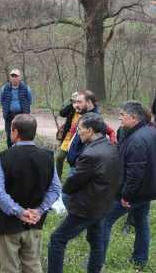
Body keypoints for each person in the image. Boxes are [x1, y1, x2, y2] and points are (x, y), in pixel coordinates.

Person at [48, 113, 121, 273]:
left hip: (86, 208)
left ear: (90, 130)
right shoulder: (111, 146)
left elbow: (71, 183)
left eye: (80, 129)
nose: (77, 133)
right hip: (103, 205)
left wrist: (65, 189)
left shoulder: (90, 155)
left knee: (57, 239)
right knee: (96, 240)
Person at [0, 114, 61, 273]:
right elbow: (55, 189)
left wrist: (20, 212)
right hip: (34, 222)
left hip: (6, 225)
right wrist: (39, 210)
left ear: (15, 132)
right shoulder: (48, 157)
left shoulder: (4, 158)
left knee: (9, 267)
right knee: (33, 265)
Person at [101, 101, 156, 269]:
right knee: (142, 222)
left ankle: (96, 262)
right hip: (147, 190)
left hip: (132, 194)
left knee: (103, 220)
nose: (120, 117)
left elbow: (135, 172)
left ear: (134, 117)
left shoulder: (137, 139)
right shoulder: (152, 131)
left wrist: (126, 196)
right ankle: (140, 259)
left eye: (123, 115)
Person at [0, 68, 32, 148]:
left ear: (19, 77)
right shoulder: (4, 88)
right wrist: (6, 111)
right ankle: (10, 152)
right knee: (9, 136)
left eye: (16, 76)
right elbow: (1, 101)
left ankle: (21, 152)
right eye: (12, 76)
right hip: (9, 115)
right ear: (10, 78)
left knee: (22, 135)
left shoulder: (26, 88)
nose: (14, 78)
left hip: (22, 116)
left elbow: (30, 100)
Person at [55, 92, 78, 179]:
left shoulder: (84, 111)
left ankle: (73, 178)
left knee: (74, 160)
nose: (76, 104)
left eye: (77, 102)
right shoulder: (71, 109)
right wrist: (71, 106)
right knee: (60, 157)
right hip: (68, 136)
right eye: (73, 101)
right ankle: (57, 178)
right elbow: (62, 113)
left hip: (78, 138)